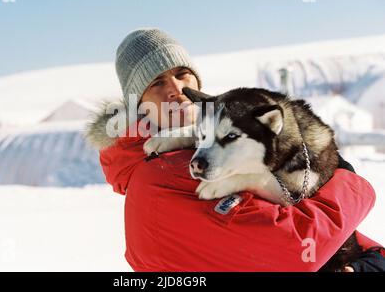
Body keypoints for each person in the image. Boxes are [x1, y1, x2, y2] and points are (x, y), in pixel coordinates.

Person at [86, 28, 385, 271]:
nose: (175, 89)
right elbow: (296, 249)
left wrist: (370, 259)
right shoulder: (167, 173)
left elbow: (294, 216)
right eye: (157, 83)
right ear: (138, 105)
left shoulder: (200, 149)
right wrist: (349, 183)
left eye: (181, 74)